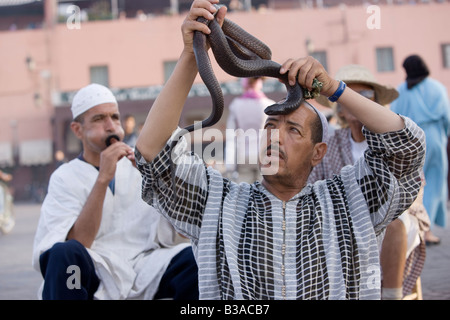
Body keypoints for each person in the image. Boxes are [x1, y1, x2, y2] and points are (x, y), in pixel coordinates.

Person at [135, 0, 425, 299]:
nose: (275, 137)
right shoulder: (219, 205)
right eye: (271, 126)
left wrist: (334, 89)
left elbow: (406, 147)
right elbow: (152, 152)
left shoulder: (348, 203)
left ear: (318, 152)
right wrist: (191, 55)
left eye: (293, 130)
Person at [32, 83, 198, 300]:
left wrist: (157, 180)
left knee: (196, 259)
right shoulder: (65, 177)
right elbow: (78, 242)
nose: (111, 126)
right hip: (96, 266)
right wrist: (103, 179)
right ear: (77, 129)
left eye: (115, 117)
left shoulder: (139, 166)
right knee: (63, 256)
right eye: (99, 119)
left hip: (143, 265)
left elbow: (184, 231)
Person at [311, 64, 430, 299]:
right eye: (348, 95)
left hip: (397, 217)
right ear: (340, 108)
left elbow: (413, 185)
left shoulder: (391, 140)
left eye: (364, 95)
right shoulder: (330, 143)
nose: (356, 101)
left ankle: (391, 295)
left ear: (375, 101)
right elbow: (315, 184)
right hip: (345, 223)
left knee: (393, 221)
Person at [391, 54, 450, 245]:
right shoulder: (437, 88)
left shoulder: (401, 91)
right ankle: (427, 230)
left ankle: (416, 229)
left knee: (415, 186)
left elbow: (393, 119)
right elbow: (448, 118)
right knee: (434, 185)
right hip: (434, 139)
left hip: (410, 141)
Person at [225, 77, 275, 183]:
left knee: (245, 193)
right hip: (264, 155)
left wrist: (230, 164)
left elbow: (231, 136)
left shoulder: (236, 105)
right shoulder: (269, 105)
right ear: (260, 83)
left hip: (243, 156)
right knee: (265, 191)